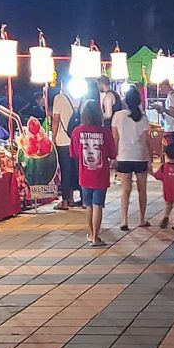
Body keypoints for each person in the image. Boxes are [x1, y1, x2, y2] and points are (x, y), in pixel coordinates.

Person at [70, 99, 112, 246]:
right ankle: (95, 237)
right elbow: (112, 153)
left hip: (84, 173)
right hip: (101, 174)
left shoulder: (77, 131)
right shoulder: (105, 132)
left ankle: (91, 234)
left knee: (88, 205)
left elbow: (74, 153)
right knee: (98, 205)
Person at [113, 87, 154, 230]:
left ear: (125, 101)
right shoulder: (143, 117)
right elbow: (146, 141)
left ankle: (124, 220)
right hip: (140, 156)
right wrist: (149, 159)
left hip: (124, 156)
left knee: (125, 190)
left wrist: (114, 156)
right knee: (142, 190)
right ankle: (141, 219)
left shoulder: (117, 116)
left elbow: (115, 139)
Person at [50, 87, 78, 210]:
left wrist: (53, 139)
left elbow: (56, 120)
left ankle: (65, 201)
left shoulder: (59, 98)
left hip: (63, 141)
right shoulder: (79, 97)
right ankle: (79, 199)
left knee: (65, 171)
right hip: (76, 140)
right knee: (76, 170)